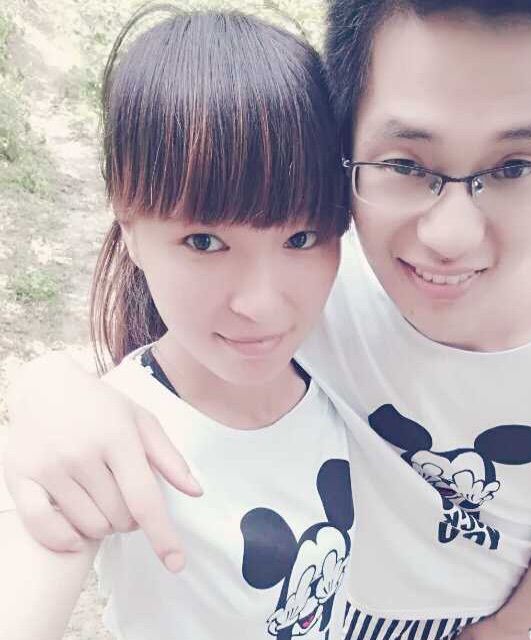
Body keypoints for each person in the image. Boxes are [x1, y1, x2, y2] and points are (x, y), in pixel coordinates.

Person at [4, 1, 531, 640]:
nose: (449, 238)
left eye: (515, 167)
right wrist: (47, 391)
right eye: (405, 164)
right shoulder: (325, 263)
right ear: (346, 142)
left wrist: (511, 624)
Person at [0, 6, 355, 640]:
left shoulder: (348, 363)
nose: (261, 304)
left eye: (301, 237)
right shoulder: (110, 439)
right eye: (204, 242)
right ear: (129, 228)